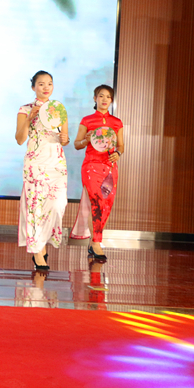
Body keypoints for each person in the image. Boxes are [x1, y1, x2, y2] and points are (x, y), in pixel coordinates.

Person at [15, 70, 69, 271]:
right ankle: (38, 252)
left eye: (49, 83)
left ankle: (42, 242)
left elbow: (64, 138)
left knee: (57, 205)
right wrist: (30, 118)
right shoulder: (25, 109)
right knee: (35, 208)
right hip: (35, 164)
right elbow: (20, 139)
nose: (46, 87)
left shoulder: (59, 109)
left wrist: (65, 139)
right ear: (33, 87)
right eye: (41, 84)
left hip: (56, 164)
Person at [71, 84, 125, 262]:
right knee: (96, 202)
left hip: (109, 167)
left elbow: (121, 146)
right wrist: (86, 140)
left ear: (111, 100)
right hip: (91, 166)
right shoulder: (87, 120)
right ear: (95, 99)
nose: (104, 99)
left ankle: (94, 241)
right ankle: (96, 243)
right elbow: (77, 144)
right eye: (101, 96)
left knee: (106, 204)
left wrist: (118, 153)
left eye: (108, 97)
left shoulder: (116, 122)